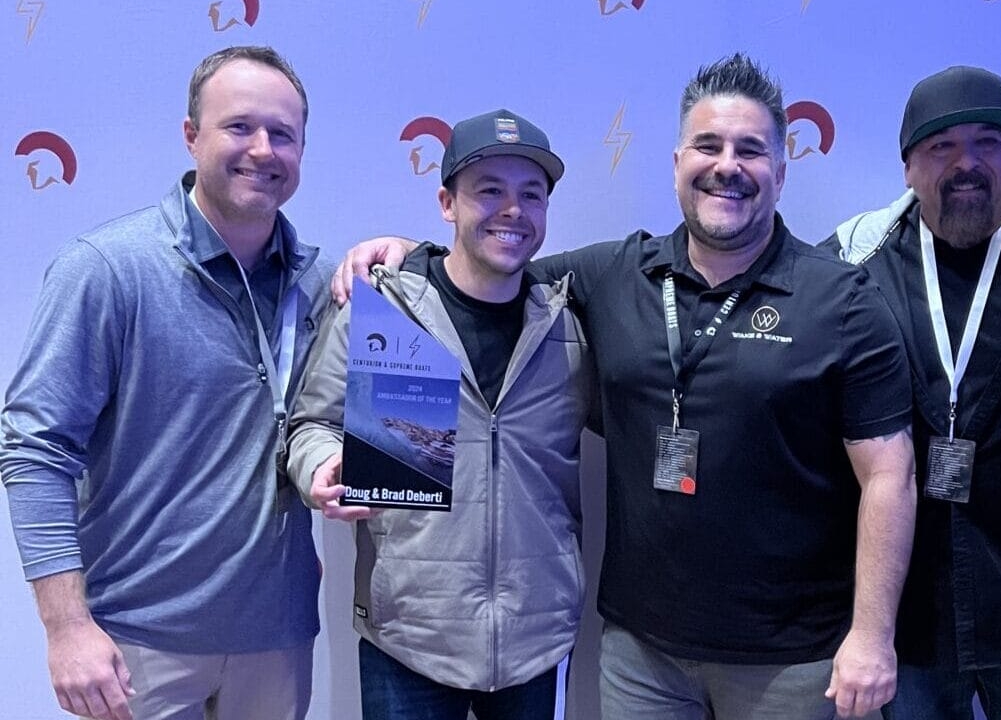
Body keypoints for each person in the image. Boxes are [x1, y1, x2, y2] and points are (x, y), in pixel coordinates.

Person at [336, 53, 917, 720]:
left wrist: (872, 637)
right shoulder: (614, 273)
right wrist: (406, 251)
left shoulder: (843, 299)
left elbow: (889, 478)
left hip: (793, 660)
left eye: (750, 149)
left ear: (780, 174)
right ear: (677, 165)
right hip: (642, 656)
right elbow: (492, 265)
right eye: (708, 145)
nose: (727, 164)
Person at [1, 46, 325, 720]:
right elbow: (34, 451)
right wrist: (66, 629)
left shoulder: (317, 284)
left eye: (283, 134)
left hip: (279, 641)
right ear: (190, 135)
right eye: (239, 127)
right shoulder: (107, 269)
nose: (263, 149)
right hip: (137, 641)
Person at [286, 109, 591, 720]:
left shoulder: (571, 328)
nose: (513, 209)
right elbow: (311, 423)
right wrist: (320, 467)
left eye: (531, 194)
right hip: (410, 637)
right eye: (490, 191)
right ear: (446, 202)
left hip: (537, 640)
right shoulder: (384, 312)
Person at [821, 65, 1001, 720]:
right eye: (942, 147)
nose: (967, 163)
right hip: (906, 621)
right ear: (909, 168)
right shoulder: (853, 263)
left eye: (988, 143)